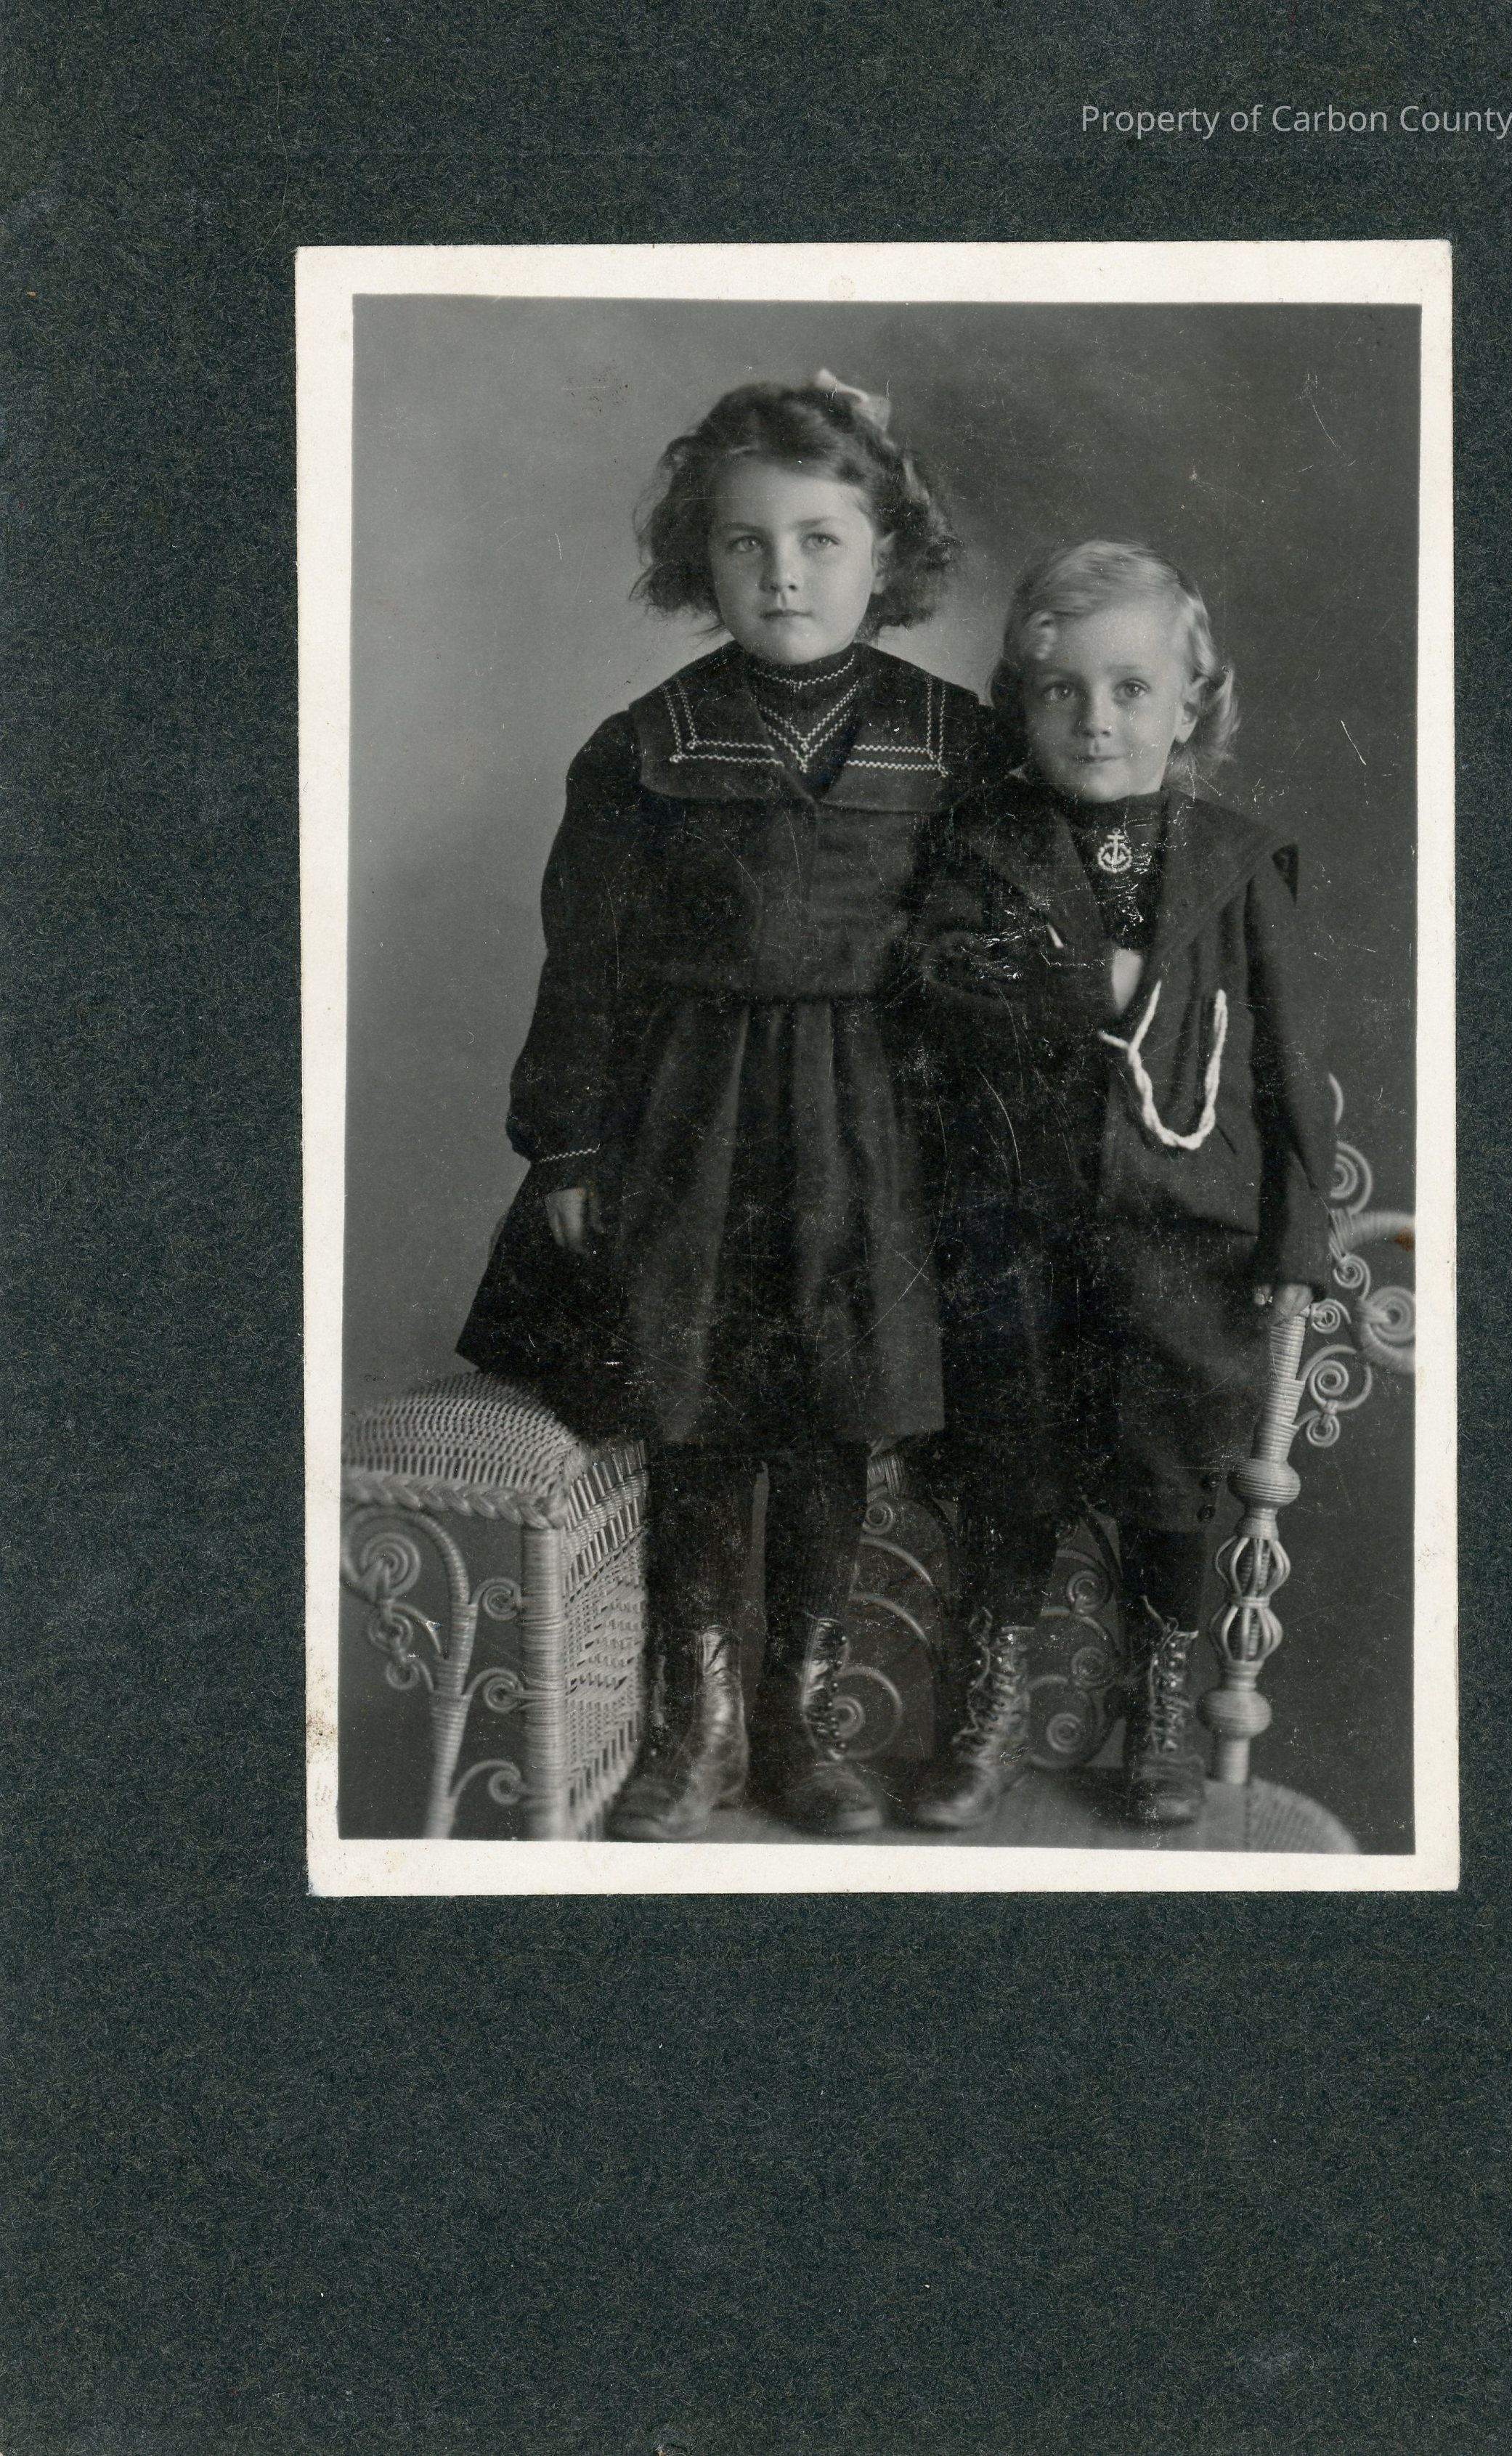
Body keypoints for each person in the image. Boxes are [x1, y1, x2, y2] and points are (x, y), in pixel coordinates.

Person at [458, 374, 985, 1840]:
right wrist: (570, 1144)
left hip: (872, 1140)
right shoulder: (645, 744)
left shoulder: (954, 742)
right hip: (690, 1131)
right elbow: (586, 966)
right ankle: (694, 1729)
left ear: (887, 554)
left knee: (831, 1419)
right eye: (747, 542)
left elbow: (990, 956)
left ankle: (797, 1723)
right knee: (696, 1417)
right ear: (701, 557)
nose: (785, 574)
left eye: (822, 540)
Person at [906, 540, 1335, 1832]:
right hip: (1017, 1226)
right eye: (1063, 691)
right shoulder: (986, 850)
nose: (1097, 719)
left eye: (1132, 688)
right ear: (1021, 704)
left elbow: (1290, 1069)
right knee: (1010, 1467)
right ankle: (986, 1712)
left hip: (1185, 1236)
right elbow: (942, 991)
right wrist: (1076, 983)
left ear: (1192, 702)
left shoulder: (1238, 862)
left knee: (1166, 1480)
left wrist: (1297, 1243)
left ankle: (1158, 1710)